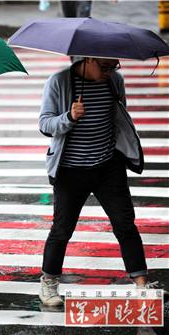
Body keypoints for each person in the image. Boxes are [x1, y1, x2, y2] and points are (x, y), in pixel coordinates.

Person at [38, 57, 152, 306]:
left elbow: (119, 116)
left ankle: (141, 283)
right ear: (88, 60)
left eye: (114, 67)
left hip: (108, 166)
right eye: (105, 67)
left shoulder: (114, 82)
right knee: (62, 229)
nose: (110, 72)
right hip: (70, 170)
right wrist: (69, 116)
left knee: (125, 224)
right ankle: (49, 282)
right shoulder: (58, 82)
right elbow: (45, 124)